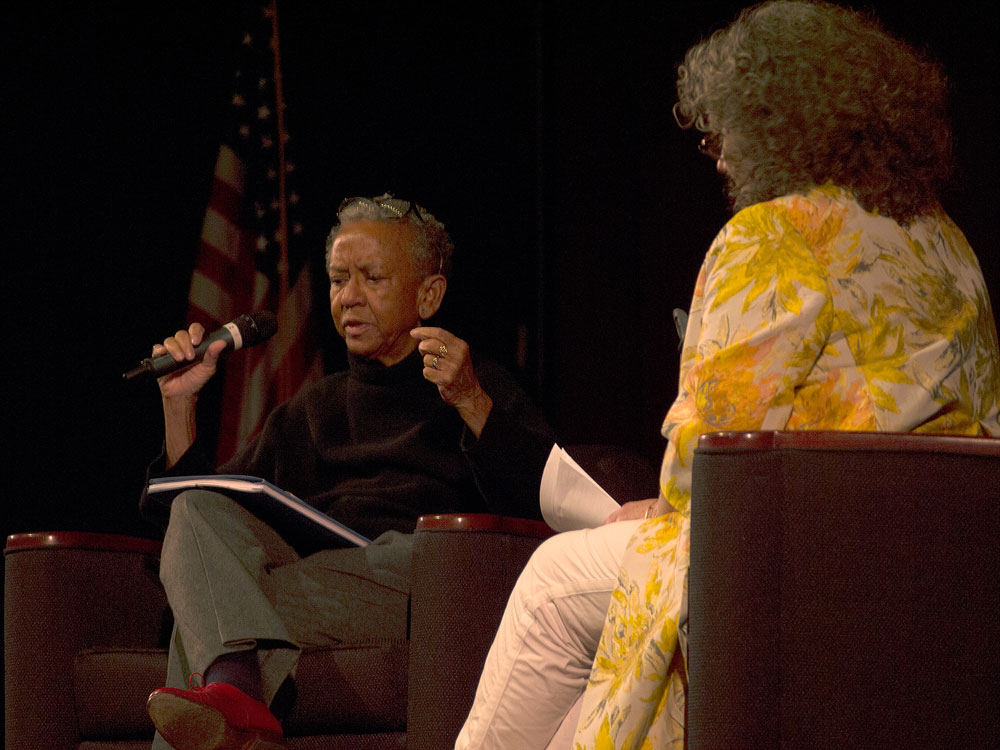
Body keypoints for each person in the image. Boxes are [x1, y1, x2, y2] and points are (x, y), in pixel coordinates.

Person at [454, 2, 1000, 748]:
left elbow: (712, 459)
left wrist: (661, 506)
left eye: (724, 127)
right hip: (937, 565)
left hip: (786, 560)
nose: (715, 152)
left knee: (553, 578)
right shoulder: (945, 242)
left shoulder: (773, 235)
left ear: (783, 120)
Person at [140, 193, 557, 750]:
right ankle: (236, 700)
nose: (349, 297)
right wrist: (179, 407)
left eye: (372, 278)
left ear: (428, 295)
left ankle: (234, 686)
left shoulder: (474, 384)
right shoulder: (311, 409)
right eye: (338, 280)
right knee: (197, 509)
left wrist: (471, 401)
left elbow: (547, 501)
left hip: (417, 580)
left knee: (210, 613)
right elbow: (197, 528)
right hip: (323, 574)